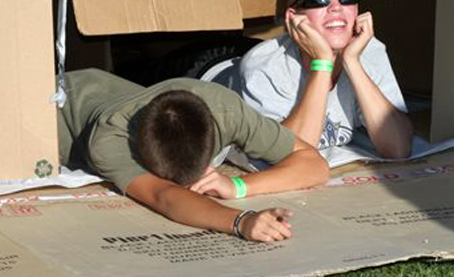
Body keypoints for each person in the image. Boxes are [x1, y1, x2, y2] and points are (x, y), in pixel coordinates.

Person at [57, 68, 329, 242]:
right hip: (55, 104)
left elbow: (315, 165)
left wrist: (238, 186)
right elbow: (164, 196)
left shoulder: (225, 110)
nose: (187, 189)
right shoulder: (109, 140)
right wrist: (241, 222)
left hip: (104, 85)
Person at [214, 0, 413, 159]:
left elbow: (398, 148)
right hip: (206, 72)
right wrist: (322, 63)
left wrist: (352, 62)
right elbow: (289, 157)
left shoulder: (369, 49)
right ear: (293, 17)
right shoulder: (265, 67)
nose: (336, 7)